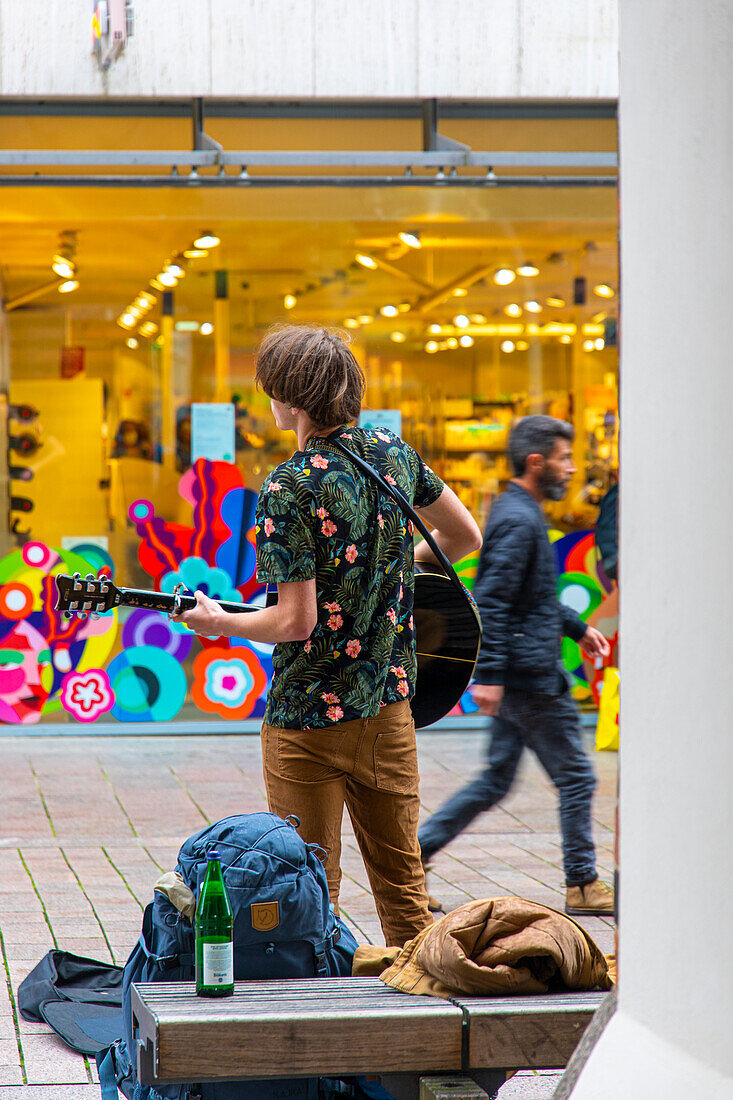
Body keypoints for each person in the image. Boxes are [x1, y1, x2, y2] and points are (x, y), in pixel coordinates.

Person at [174, 324, 482, 947]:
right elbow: (464, 536)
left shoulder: (289, 487)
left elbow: (294, 622)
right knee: (405, 894)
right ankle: (429, 1021)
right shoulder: (393, 453)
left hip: (308, 719)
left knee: (309, 895)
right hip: (389, 709)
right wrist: (390, 564)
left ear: (288, 402)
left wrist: (218, 623)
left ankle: (323, 1023)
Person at [418, 415, 615, 917]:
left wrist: (575, 627)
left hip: (523, 673)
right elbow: (495, 600)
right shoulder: (518, 518)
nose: (571, 468)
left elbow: (535, 597)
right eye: (564, 458)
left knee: (495, 781)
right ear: (536, 462)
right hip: (531, 679)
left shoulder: (521, 513)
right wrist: (488, 675)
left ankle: (414, 859)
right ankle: (583, 883)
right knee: (577, 778)